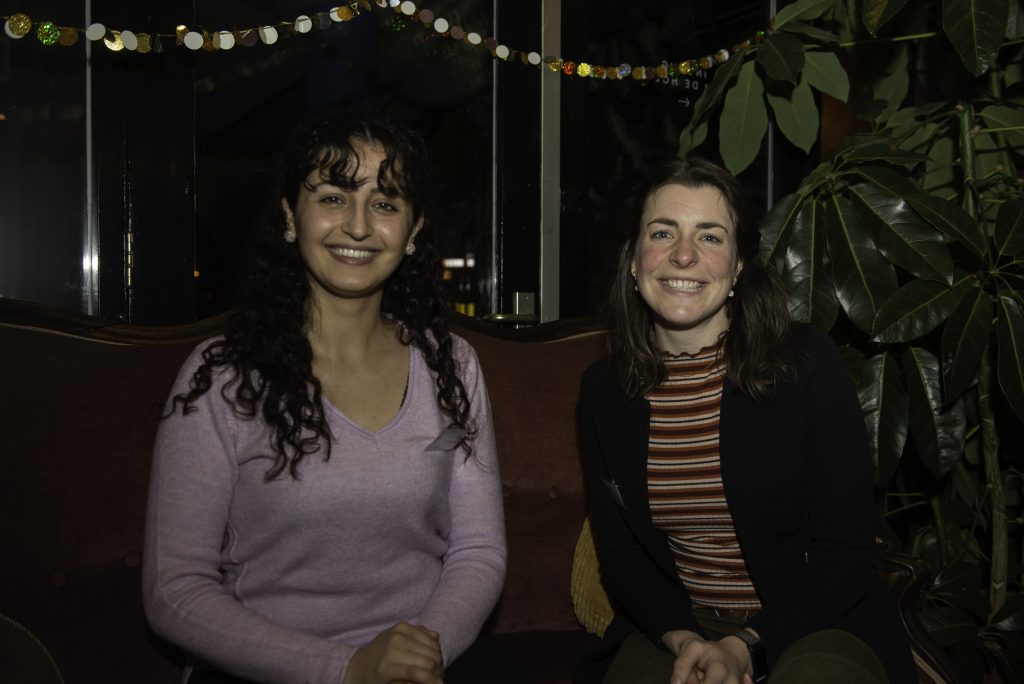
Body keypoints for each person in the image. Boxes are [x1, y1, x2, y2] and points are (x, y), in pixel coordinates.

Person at [143, 108, 514, 684]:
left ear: (414, 231)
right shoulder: (223, 376)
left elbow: (478, 550)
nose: (358, 226)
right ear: (290, 216)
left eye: (385, 203)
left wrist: (419, 656)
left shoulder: (452, 365)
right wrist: (346, 669)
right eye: (334, 197)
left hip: (424, 659)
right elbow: (174, 590)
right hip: (264, 668)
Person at [577, 158, 915, 684]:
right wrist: (682, 638)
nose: (683, 254)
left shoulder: (806, 363)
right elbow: (622, 552)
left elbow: (846, 554)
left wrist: (747, 646)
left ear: (737, 268)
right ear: (634, 260)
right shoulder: (604, 389)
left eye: (710, 237)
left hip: (815, 620)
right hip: (682, 625)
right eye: (662, 232)